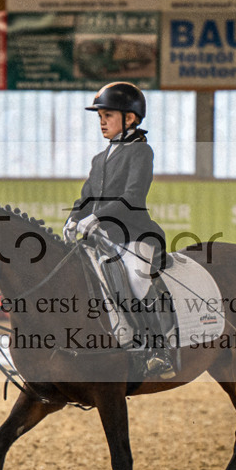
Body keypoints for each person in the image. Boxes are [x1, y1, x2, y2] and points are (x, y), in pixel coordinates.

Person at [62, 81, 175, 378]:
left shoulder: (141, 152)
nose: (102, 122)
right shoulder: (99, 158)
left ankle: (158, 350)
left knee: (136, 280)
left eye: (108, 116)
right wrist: (73, 218)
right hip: (102, 238)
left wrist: (97, 217)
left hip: (134, 235)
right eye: (100, 117)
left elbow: (132, 197)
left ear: (130, 118)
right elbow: (86, 197)